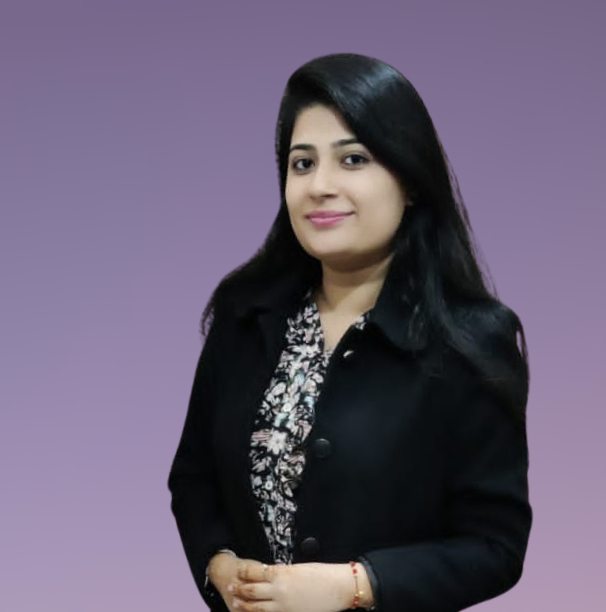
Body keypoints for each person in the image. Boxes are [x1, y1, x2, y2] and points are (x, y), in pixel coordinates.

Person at [168, 53, 532, 612]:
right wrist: (218, 563)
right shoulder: (246, 316)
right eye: (302, 163)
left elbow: (495, 547)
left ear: (410, 181)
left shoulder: (471, 339)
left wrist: (355, 585)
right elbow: (193, 479)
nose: (320, 186)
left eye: (353, 159)